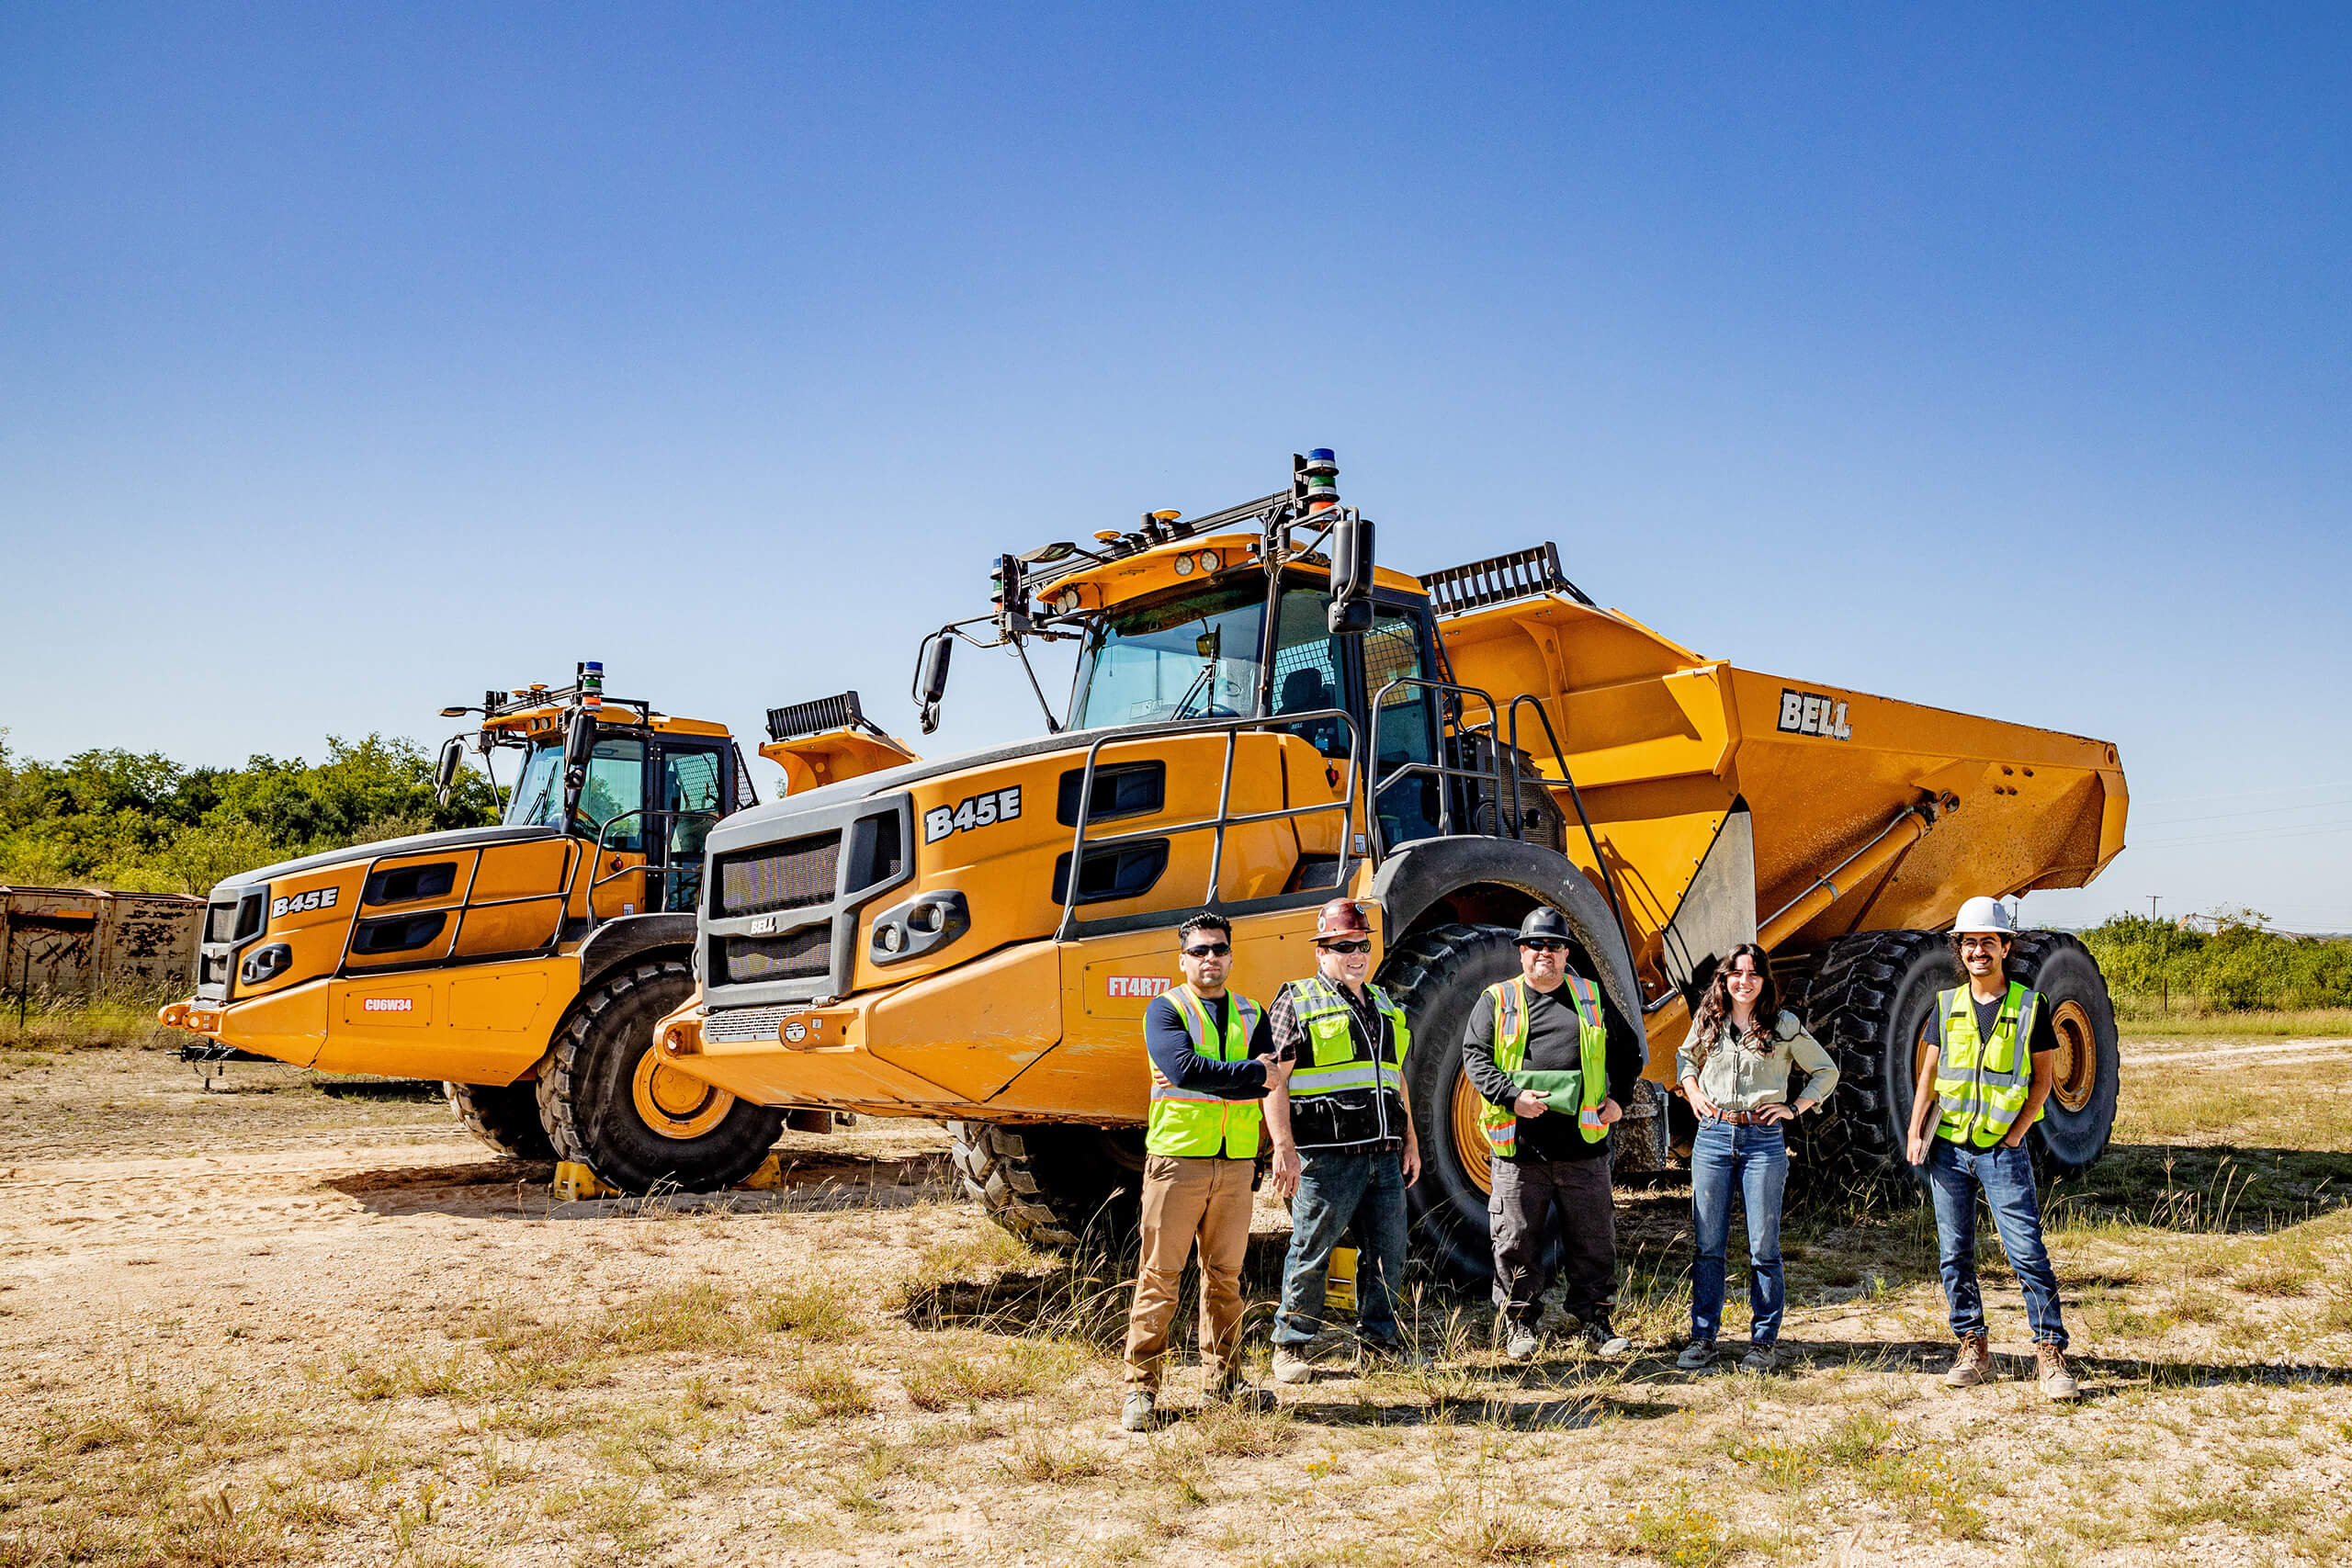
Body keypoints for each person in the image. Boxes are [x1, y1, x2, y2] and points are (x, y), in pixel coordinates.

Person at [1905, 897, 2080, 1401]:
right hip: (1948, 1150)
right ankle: (1972, 1347)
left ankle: (2050, 1353)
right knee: (1954, 1254)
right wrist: (1917, 1131)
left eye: (1988, 941)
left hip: (2002, 1150)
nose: (1978, 950)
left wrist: (2018, 1131)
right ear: (1959, 950)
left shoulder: (2032, 1007)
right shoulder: (1947, 1005)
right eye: (1969, 942)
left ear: (2006, 947)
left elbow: (2043, 1081)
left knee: (2027, 1253)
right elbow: (1930, 1076)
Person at [1119, 911, 1285, 1431]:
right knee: (1161, 1276)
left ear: (1231, 955)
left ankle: (1226, 1379)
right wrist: (1253, 1073)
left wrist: (1249, 1078)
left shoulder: (1250, 1011)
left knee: (1227, 1279)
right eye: (1199, 951)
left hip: (1235, 1165)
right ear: (1183, 959)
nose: (1209, 958)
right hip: (1178, 1161)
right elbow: (1184, 1068)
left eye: (1218, 949)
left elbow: (1264, 1084)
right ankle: (1141, 1390)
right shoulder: (1165, 1010)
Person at [1460, 908, 1646, 1361]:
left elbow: (1629, 1053)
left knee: (1593, 1239)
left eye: (1556, 946)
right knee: (1516, 1240)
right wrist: (1512, 1097)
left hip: (1583, 1148)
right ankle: (1520, 1326)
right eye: (1537, 945)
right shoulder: (1497, 1000)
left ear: (1567, 953)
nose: (1546, 953)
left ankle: (1597, 1322)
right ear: (1522, 951)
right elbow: (1475, 1057)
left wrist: (1618, 1101)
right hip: (1519, 1150)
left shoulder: (1590, 996)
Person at [1263, 898, 1422, 1382]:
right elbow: (1274, 1080)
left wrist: (1410, 1141)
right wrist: (1283, 1148)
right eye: (1344, 946)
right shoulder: (1297, 1000)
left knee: (1389, 1253)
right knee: (1311, 1250)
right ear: (1322, 951)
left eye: (1363, 944)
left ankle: (1378, 1341)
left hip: (1385, 1154)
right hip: (1326, 1159)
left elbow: (1396, 1080)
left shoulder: (1385, 1004)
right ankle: (1290, 1345)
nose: (1356, 954)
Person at [1673, 942, 1838, 1373]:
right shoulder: (1709, 1020)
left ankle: (1762, 1342)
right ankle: (1703, 1339)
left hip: (1762, 1142)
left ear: (1765, 981)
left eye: (1753, 974)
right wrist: (1691, 1091)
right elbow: (1685, 1057)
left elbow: (1826, 1071)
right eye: (1736, 973)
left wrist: (1796, 1107)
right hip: (1711, 1137)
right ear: (1724, 978)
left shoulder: (1783, 1026)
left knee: (1763, 1247)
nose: (1743, 981)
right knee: (1708, 1245)